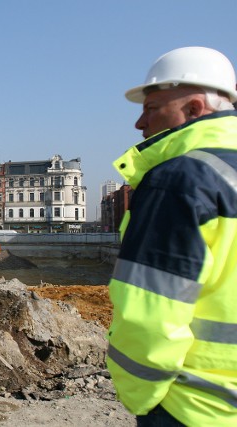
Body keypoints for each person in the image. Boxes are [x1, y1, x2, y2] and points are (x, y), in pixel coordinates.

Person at [106, 46, 237, 426]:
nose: (140, 123)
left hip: (196, 405)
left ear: (194, 109)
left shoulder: (181, 182)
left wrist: (142, 400)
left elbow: (151, 315)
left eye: (152, 107)